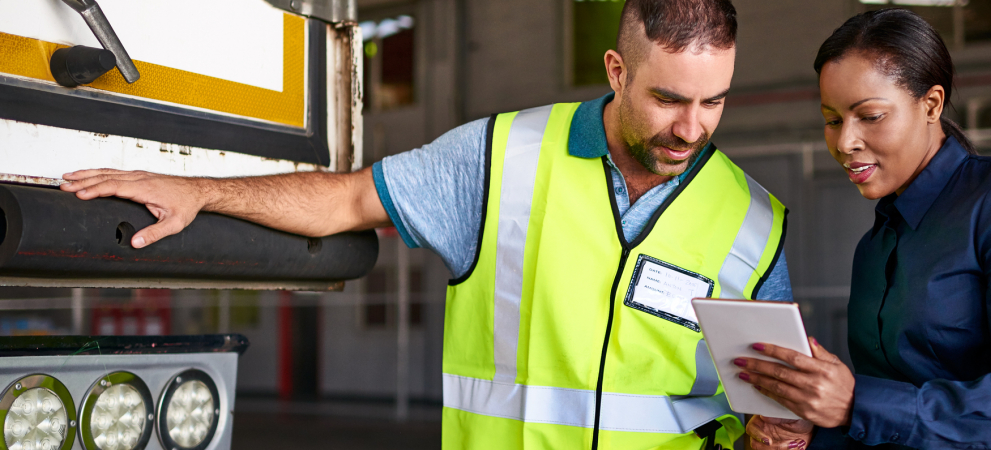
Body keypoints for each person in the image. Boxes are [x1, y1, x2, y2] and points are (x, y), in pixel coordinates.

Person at [61, 1, 793, 448]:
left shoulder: (754, 221)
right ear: (616, 70)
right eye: (670, 100)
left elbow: (764, 404)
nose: (692, 128)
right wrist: (200, 192)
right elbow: (348, 200)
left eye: (715, 103)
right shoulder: (503, 157)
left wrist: (776, 432)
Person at [733, 9, 991, 450]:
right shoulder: (875, 246)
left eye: (870, 116)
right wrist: (808, 430)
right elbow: (896, 425)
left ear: (931, 104)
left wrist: (857, 402)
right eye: (833, 119)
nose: (844, 142)